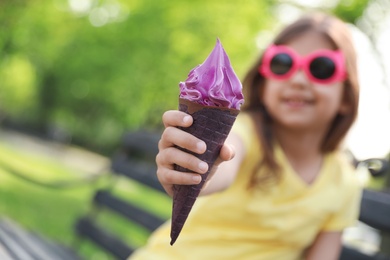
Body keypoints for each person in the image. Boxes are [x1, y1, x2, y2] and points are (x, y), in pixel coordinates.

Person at [130, 12, 362, 260]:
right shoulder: (246, 133)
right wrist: (198, 169)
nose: (297, 79)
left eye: (321, 68)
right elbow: (226, 156)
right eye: (282, 63)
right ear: (263, 84)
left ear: (347, 97)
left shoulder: (345, 183)